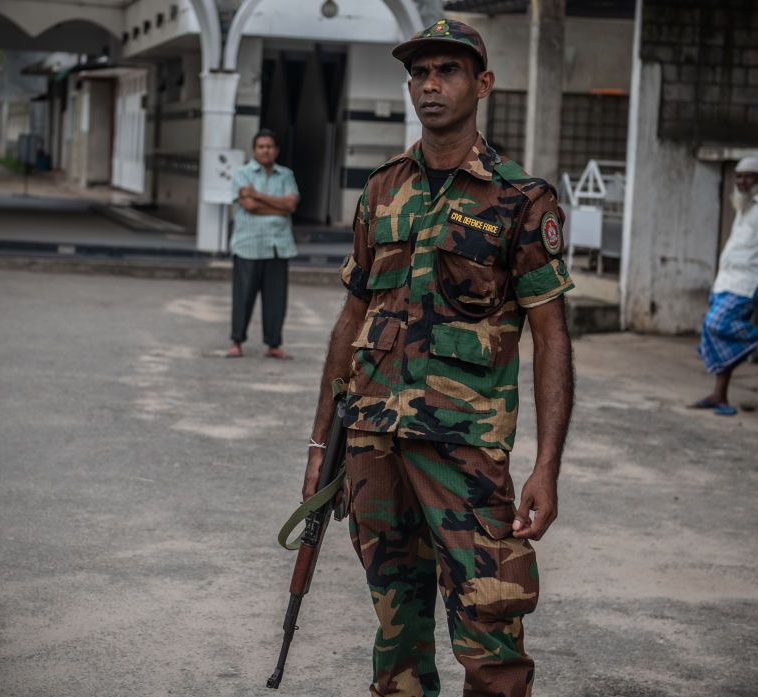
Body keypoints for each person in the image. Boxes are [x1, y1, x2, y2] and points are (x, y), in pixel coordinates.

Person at [302, 18, 574, 697]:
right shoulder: (382, 189)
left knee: (490, 620)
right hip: (371, 440)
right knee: (396, 623)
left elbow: (552, 335)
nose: (431, 84)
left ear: (481, 84)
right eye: (420, 72)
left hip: (465, 448)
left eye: (447, 70)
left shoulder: (520, 199)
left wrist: (546, 465)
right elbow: (351, 318)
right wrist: (318, 443)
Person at [692, 156, 758, 415]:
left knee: (717, 324)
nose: (742, 181)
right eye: (738, 176)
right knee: (717, 337)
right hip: (726, 281)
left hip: (748, 284)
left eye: (748, 176)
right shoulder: (743, 205)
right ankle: (720, 395)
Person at [226, 129, 299, 360]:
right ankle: (236, 341)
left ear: (276, 150)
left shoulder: (286, 174)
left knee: (276, 299)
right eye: (261, 147)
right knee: (243, 297)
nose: (265, 150)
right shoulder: (241, 173)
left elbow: (292, 205)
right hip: (248, 245)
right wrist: (278, 206)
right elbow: (249, 206)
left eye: (269, 147)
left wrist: (257, 194)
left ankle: (273, 344)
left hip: (278, 246)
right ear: (254, 150)